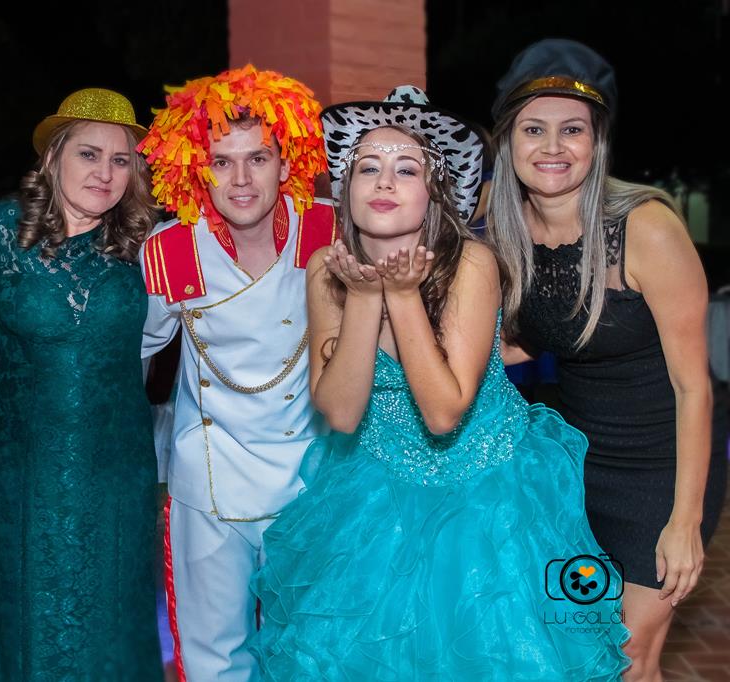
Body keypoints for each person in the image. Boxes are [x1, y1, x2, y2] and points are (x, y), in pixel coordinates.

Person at [251, 86, 631, 680]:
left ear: (434, 192)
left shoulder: (471, 264)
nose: (383, 182)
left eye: (406, 169)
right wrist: (365, 296)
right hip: (377, 494)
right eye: (367, 168)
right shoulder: (329, 267)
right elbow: (343, 414)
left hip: (488, 498)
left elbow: (443, 412)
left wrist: (401, 298)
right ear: (343, 188)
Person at [485, 39, 726, 681]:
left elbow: (693, 388)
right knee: (577, 643)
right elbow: (537, 338)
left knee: (627, 657)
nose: (553, 147)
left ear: (598, 142)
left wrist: (685, 520)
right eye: (533, 129)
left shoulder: (645, 229)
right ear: (507, 141)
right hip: (574, 469)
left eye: (573, 130)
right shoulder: (505, 229)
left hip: (659, 471)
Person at [138, 65, 337, 681]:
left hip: (314, 480)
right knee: (214, 657)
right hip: (209, 486)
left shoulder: (328, 231)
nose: (242, 179)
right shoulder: (171, 251)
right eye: (222, 162)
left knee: (311, 650)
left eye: (258, 158)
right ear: (197, 170)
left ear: (288, 163)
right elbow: (124, 360)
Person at [0, 87, 163, 681]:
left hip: (117, 468)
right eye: (88, 154)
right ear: (52, 158)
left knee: (114, 615)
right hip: (25, 467)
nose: (105, 173)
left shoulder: (149, 246)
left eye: (121, 159)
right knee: (32, 609)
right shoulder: (0, 230)